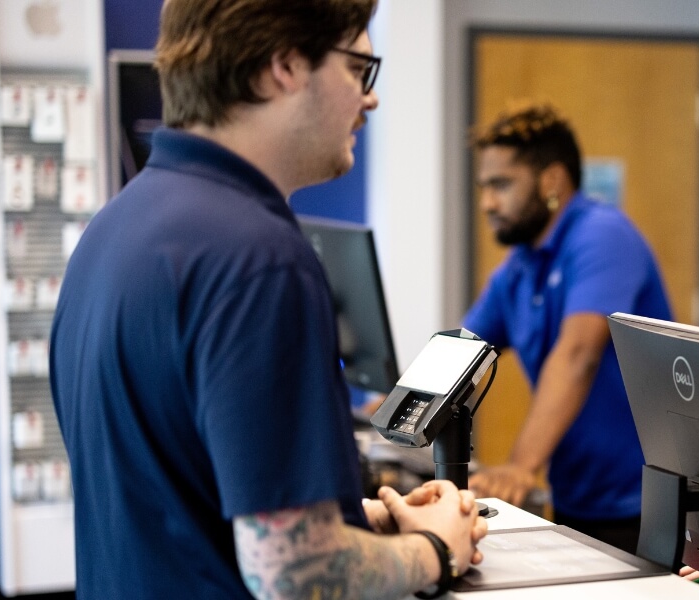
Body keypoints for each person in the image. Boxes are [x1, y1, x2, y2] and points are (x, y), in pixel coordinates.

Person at [49, 1, 485, 598]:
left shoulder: (112, 230)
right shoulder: (260, 259)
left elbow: (182, 504)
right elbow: (295, 573)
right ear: (284, 64)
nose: (370, 98)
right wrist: (436, 549)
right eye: (359, 67)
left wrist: (364, 523)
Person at [464, 103, 673, 552]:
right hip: (578, 494)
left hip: (644, 503)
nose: (487, 203)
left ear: (551, 181)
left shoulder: (602, 234)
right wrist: (392, 409)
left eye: (501, 185)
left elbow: (578, 354)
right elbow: (461, 354)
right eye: (484, 187)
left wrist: (521, 465)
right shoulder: (520, 266)